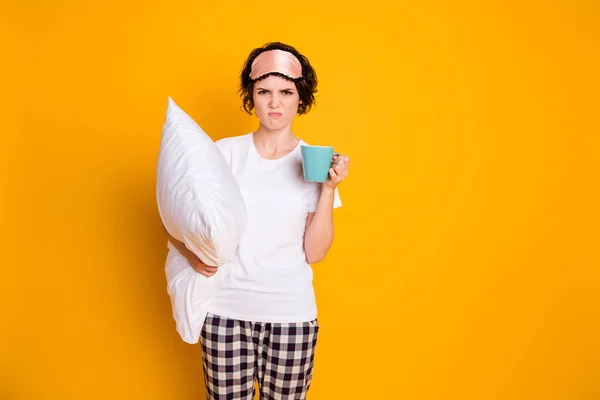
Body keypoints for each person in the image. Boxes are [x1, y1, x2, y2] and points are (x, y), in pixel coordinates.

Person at [166, 41, 350, 399]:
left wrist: (328, 189)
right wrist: (191, 255)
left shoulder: (314, 162)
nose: (275, 102)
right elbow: (174, 214)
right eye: (264, 91)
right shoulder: (222, 154)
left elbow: (315, 253)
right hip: (225, 313)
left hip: (291, 316)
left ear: (301, 98)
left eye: (286, 92)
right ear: (251, 96)